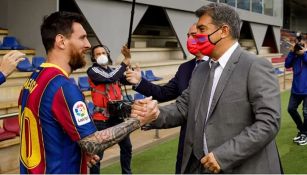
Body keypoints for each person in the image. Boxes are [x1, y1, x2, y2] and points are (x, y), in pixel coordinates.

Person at [132, 3, 281, 173]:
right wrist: (156, 114)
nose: (196, 36)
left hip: (241, 168)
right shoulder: (200, 69)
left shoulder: (255, 66)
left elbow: (268, 122)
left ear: (224, 31)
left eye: (202, 29)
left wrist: (224, 155)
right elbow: (182, 108)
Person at [18, 11, 154, 174]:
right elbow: (93, 143)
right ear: (61, 41)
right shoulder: (63, 87)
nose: (88, 45)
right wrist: (137, 120)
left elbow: (48, 131)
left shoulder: (33, 79)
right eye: (82, 37)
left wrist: (79, 151)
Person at [125, 23, 208, 173]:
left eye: (194, 35)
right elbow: (164, 93)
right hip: (187, 143)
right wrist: (139, 81)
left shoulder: (218, 65)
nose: (190, 39)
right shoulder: (185, 68)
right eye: (188, 36)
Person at [87, 44, 133, 174]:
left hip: (117, 117)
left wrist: (131, 68)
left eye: (103, 52)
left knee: (126, 147)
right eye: (97, 54)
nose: (101, 55)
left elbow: (128, 80)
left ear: (108, 54)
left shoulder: (113, 71)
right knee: (97, 155)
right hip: (101, 119)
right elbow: (109, 78)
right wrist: (124, 62)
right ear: (93, 58)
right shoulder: (92, 71)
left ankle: (127, 173)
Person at [285, 32, 307, 145]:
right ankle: (303, 130)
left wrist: (304, 54)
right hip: (296, 89)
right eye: (297, 41)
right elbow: (287, 65)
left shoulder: (305, 54)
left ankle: (305, 134)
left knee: (306, 112)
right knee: (291, 109)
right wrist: (291, 52)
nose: (299, 43)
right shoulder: (294, 55)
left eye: (301, 41)